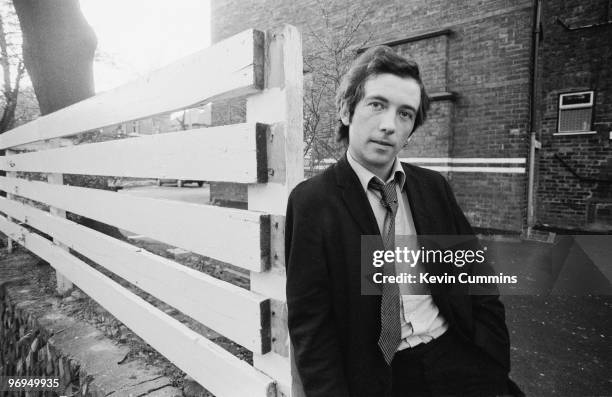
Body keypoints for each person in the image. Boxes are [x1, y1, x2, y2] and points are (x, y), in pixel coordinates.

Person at [285, 46, 520, 397]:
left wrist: (493, 357)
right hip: (380, 375)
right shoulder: (314, 202)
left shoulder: (432, 188)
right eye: (377, 104)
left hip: (456, 354)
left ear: (411, 130)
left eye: (405, 114)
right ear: (346, 110)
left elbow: (475, 279)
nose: (388, 126)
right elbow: (311, 325)